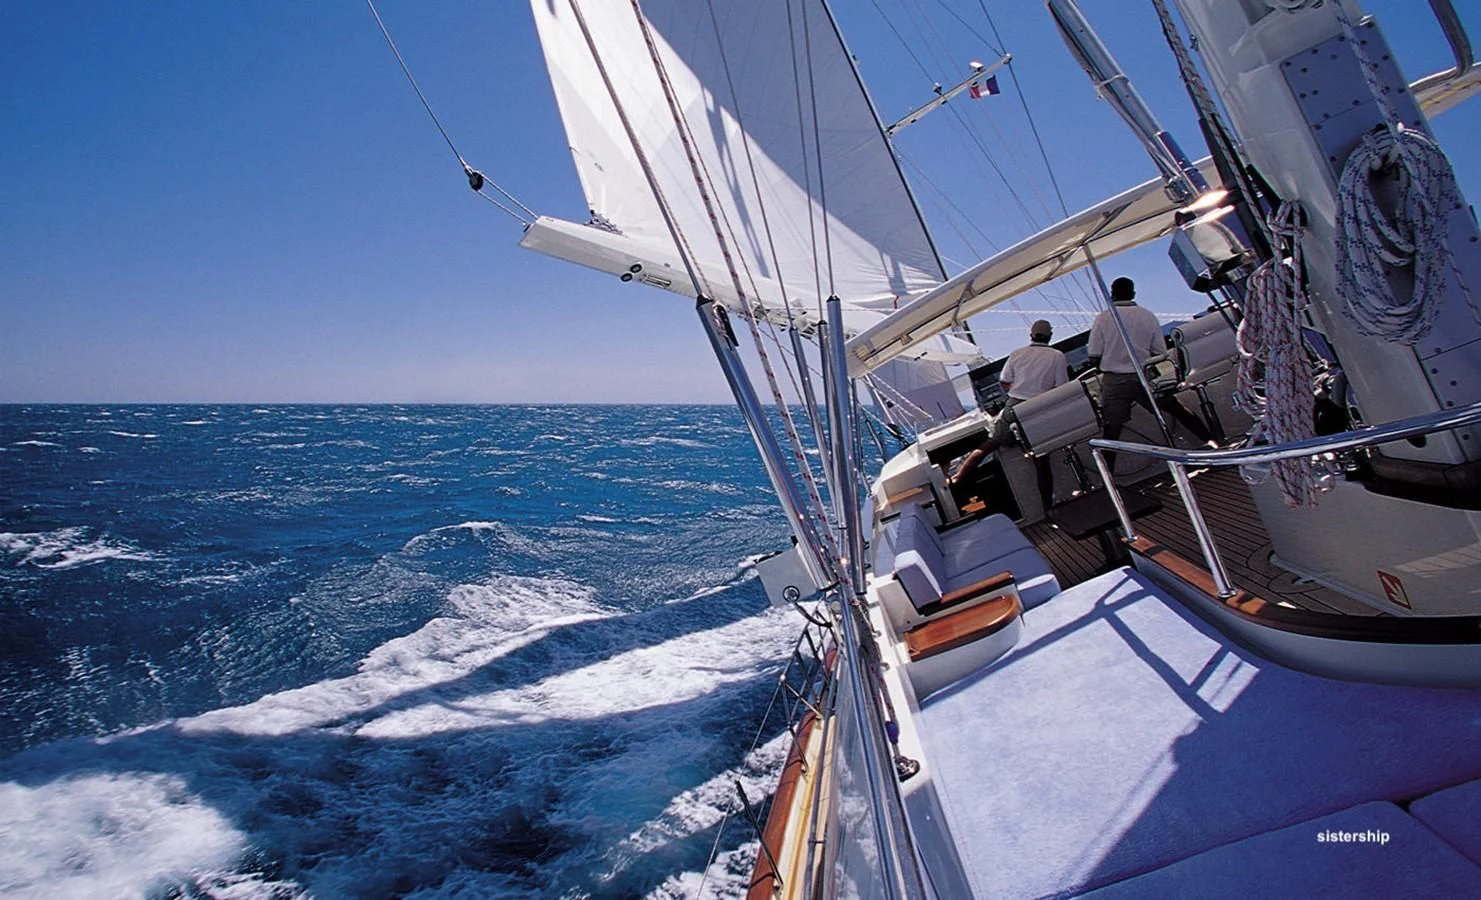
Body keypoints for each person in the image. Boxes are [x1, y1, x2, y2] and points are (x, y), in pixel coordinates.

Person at [1089, 277, 1217, 472]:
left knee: (1112, 430)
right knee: (1177, 410)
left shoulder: (1103, 318)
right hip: (1145, 375)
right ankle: (1213, 445)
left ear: (1112, 295)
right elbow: (1160, 351)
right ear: (1132, 294)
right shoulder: (1147, 316)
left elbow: (1094, 354)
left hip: (1115, 380)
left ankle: (1109, 477)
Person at [950, 320, 1068, 510]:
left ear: (1031, 335)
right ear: (1049, 336)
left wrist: (1017, 392)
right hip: (1038, 409)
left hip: (1014, 406)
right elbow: (1061, 387)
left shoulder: (1017, 354)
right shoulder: (1057, 356)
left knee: (991, 443)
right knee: (1041, 460)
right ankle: (1048, 507)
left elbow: (1005, 382)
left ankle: (958, 477)